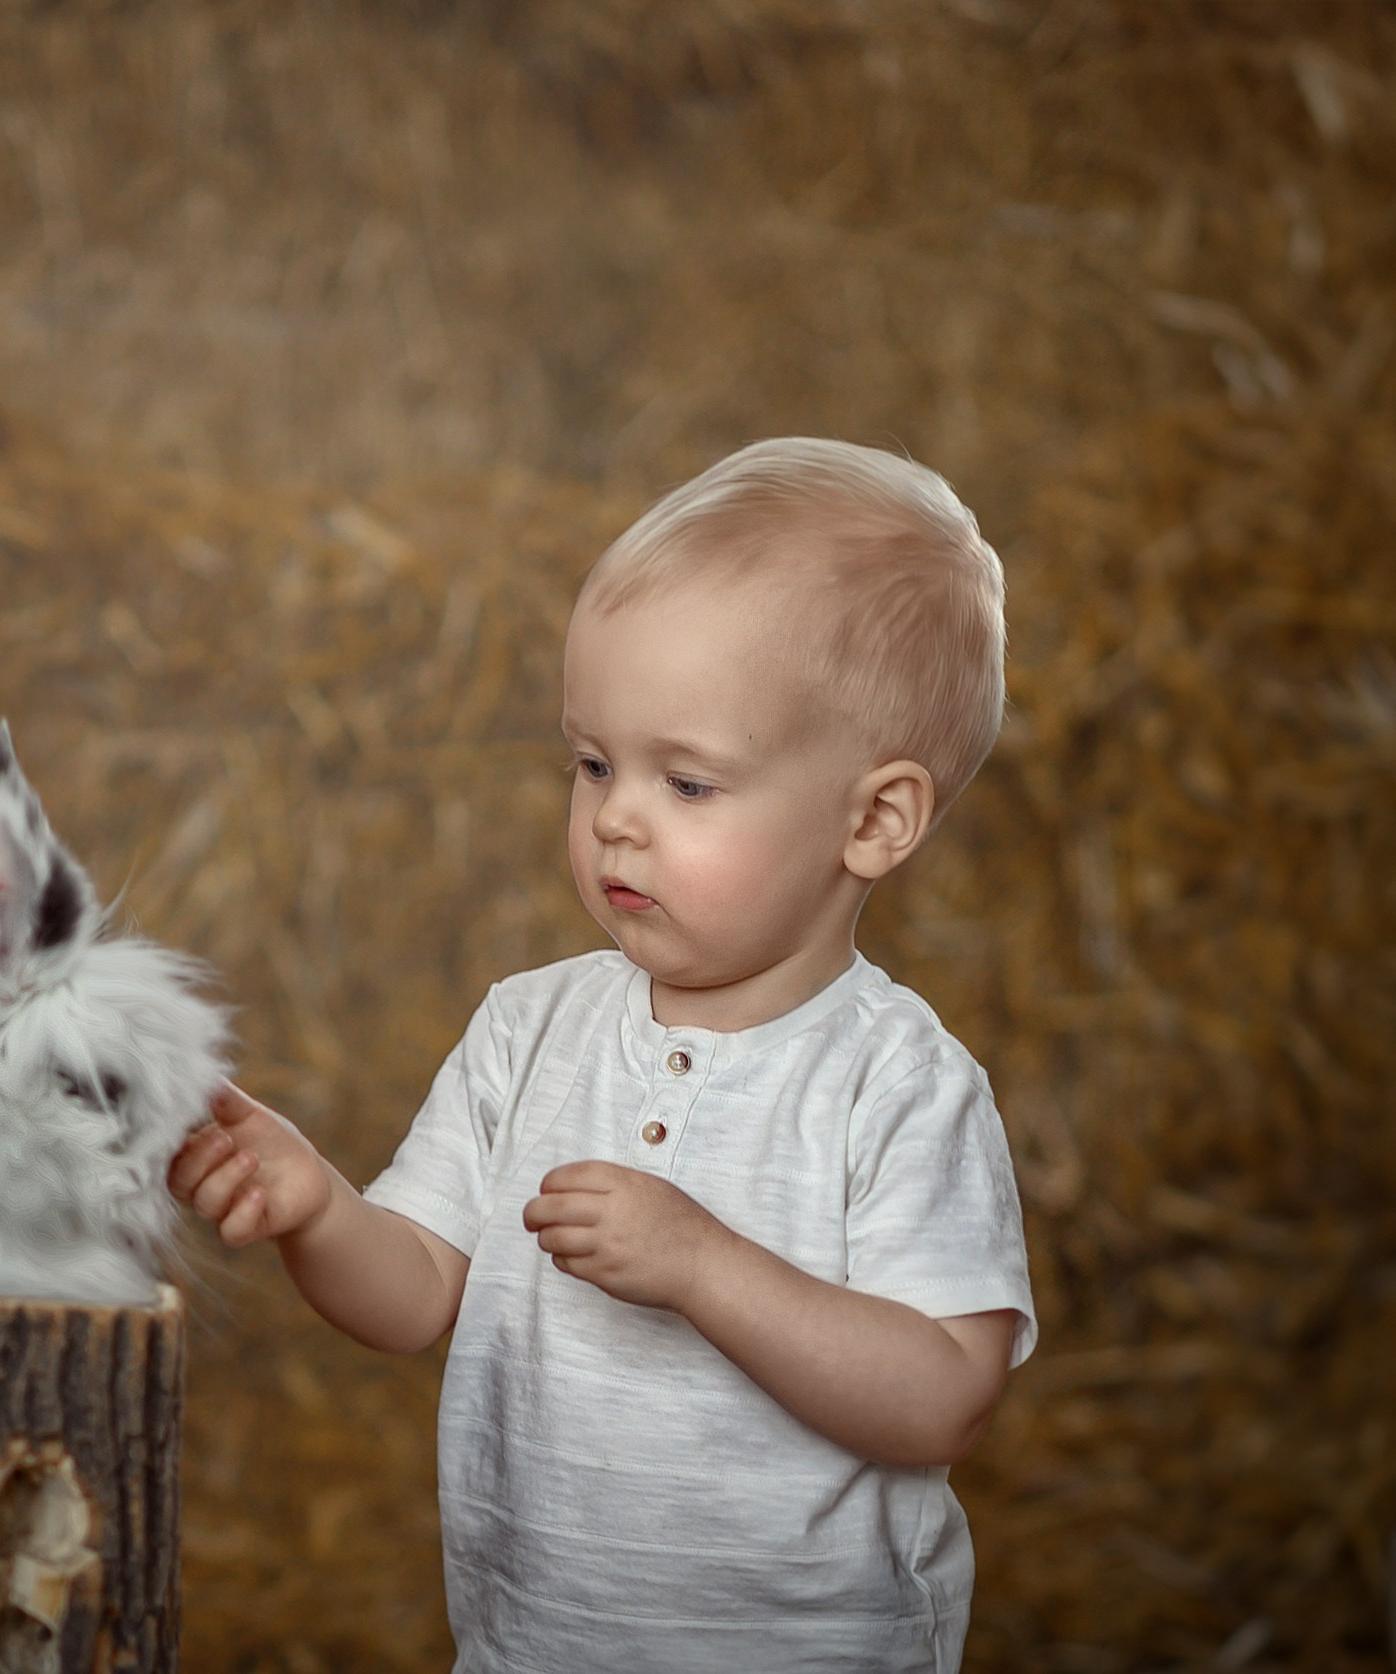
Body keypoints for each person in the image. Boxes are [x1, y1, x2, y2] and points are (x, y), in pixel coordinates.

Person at [169, 438, 1037, 1672]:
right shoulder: (529, 1032)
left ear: (873, 820)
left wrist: (700, 1265)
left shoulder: (893, 1082)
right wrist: (317, 1207)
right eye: (591, 764)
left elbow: (943, 1394)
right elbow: (417, 1290)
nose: (614, 816)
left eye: (685, 782)